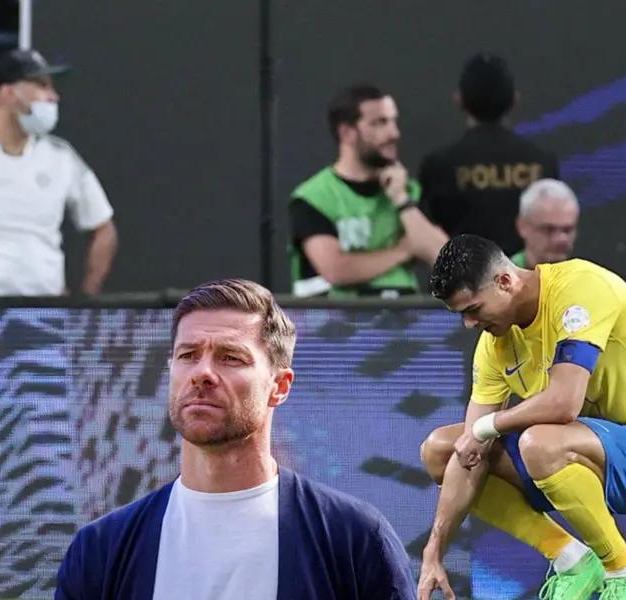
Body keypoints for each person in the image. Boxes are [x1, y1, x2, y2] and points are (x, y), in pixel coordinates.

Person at [55, 279, 415, 599]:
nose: (202, 373)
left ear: (280, 386)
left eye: (230, 358)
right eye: (188, 355)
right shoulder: (100, 550)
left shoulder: (354, 540)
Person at [417, 235, 626, 600]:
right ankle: (571, 559)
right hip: (579, 455)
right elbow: (470, 452)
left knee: (539, 442)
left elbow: (564, 403)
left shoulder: (580, 288)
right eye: (461, 315)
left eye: (474, 309)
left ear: (505, 281)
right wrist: (434, 551)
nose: (469, 324)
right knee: (440, 450)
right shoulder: (495, 345)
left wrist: (487, 427)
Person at [0, 48, 117, 296]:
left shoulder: (62, 157)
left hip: (43, 313)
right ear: (8, 93)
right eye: (41, 85)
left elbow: (103, 228)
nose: (53, 97)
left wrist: (86, 301)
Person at [289, 84, 446, 298]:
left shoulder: (409, 190)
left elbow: (444, 258)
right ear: (347, 133)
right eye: (380, 123)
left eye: (393, 121)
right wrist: (404, 250)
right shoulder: (314, 197)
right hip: (332, 325)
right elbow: (336, 269)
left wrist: (401, 200)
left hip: (403, 326)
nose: (394, 133)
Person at [418, 53, 560, 256]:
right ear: (514, 100)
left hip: (465, 282)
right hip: (530, 281)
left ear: (459, 100)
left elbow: (427, 233)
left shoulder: (439, 165)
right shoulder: (543, 162)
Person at [510, 178, 579, 268]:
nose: (561, 239)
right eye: (549, 229)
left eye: (567, 230)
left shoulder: (590, 279)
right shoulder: (497, 279)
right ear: (522, 226)